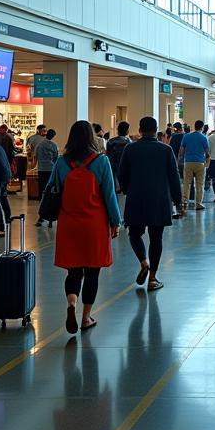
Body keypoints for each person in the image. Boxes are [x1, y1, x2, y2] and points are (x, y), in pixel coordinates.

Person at [51, 121, 121, 334]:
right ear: (92, 137)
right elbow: (109, 194)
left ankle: (71, 303)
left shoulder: (62, 162)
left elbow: (52, 189)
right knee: (92, 272)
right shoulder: (101, 161)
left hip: (69, 223)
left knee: (73, 271)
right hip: (94, 224)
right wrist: (115, 221)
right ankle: (85, 317)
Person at [117, 116, 183, 292]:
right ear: (157, 131)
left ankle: (143, 262)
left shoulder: (130, 149)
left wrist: (126, 189)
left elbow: (121, 174)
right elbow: (174, 177)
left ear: (140, 130)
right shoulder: (166, 150)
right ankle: (153, 278)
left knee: (134, 234)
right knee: (156, 238)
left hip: (136, 198)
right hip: (159, 200)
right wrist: (179, 201)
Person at [181, 119, 210, 210]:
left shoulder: (186, 136)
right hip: (200, 163)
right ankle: (198, 204)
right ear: (202, 127)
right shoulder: (204, 137)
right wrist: (207, 162)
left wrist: (180, 160)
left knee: (186, 183)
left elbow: (181, 151)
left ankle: (185, 202)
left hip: (188, 162)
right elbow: (207, 152)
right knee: (199, 184)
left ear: (194, 126)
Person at [34, 128, 60, 228]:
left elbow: (35, 156)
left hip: (41, 169)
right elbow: (56, 158)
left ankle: (41, 216)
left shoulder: (39, 144)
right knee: (50, 192)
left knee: (41, 192)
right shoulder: (54, 145)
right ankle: (50, 218)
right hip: (51, 170)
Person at [105, 121, 132, 193]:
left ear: (118, 130)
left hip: (112, 169)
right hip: (125, 170)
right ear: (127, 131)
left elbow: (108, 155)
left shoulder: (110, 142)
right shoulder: (130, 143)